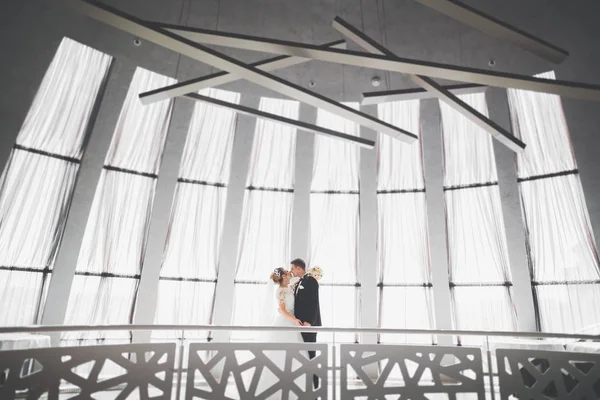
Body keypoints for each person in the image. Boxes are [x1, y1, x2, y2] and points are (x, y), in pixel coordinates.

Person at [289, 258, 321, 388]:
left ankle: (315, 386)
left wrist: (309, 322)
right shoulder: (299, 282)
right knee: (303, 354)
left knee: (311, 354)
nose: (291, 271)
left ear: (298, 268)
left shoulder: (311, 281)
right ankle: (304, 384)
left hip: (308, 325)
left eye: (292, 269)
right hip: (300, 325)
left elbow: (314, 302)